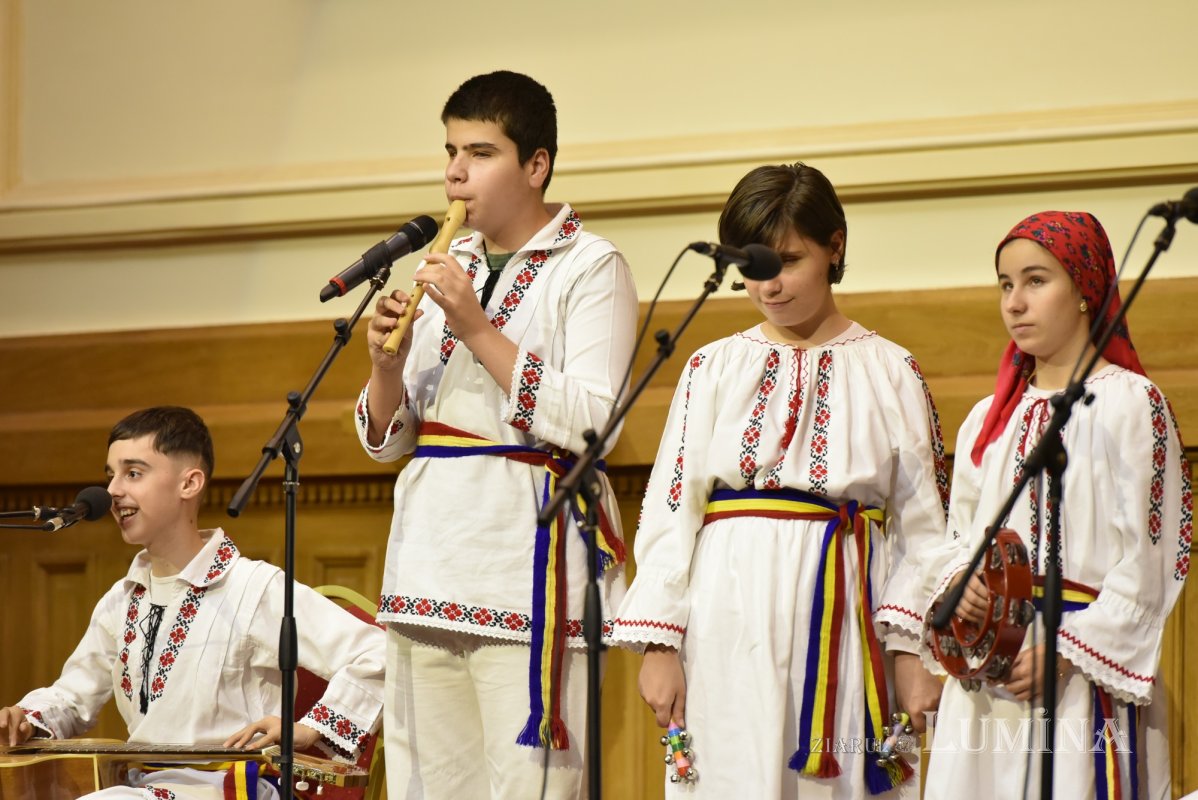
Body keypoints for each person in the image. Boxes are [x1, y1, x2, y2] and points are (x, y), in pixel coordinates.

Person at [610, 162, 948, 798]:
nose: (769, 285)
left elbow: (924, 529)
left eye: (789, 260)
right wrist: (659, 643)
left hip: (847, 617)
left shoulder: (891, 371)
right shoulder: (712, 367)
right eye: (754, 266)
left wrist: (911, 651)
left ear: (835, 247)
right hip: (726, 619)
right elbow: (672, 507)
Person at [356, 70, 637, 798]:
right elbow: (392, 441)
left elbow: (595, 424)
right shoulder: (450, 264)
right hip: (428, 564)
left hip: (528, 569)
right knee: (429, 784)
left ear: (535, 165)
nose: (455, 171)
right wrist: (385, 367)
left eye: (479, 153)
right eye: (450, 150)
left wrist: (476, 328)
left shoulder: (592, 265)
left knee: (525, 784)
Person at [921, 211, 1191, 798]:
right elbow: (958, 535)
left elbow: (1152, 559)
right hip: (987, 678)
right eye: (1005, 284)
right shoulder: (987, 420)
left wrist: (1067, 653)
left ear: (1086, 291)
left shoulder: (1130, 405)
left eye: (1036, 281)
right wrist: (958, 583)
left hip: (1075, 676)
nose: (1015, 302)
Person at [0, 406, 387, 799]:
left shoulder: (254, 588)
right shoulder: (122, 600)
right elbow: (73, 696)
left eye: (133, 473)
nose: (114, 490)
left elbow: (378, 655)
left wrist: (309, 728)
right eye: (111, 475)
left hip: (234, 789)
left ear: (190, 483)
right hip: (143, 788)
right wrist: (26, 718)